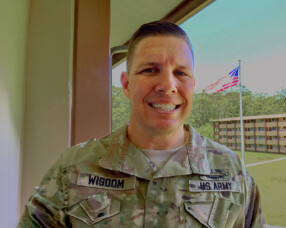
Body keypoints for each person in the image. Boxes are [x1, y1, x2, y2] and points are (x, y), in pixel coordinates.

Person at [18, 21, 264, 227]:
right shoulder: (73, 168)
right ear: (126, 85)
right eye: (149, 70)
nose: (168, 85)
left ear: (193, 84)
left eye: (181, 73)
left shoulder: (233, 173)